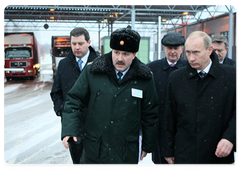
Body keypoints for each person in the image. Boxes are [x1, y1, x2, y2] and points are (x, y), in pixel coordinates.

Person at [61, 28, 159, 165]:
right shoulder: (93, 71)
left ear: (134, 54)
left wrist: (147, 145)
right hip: (96, 148)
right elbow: (74, 100)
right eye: (116, 52)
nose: (119, 58)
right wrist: (69, 129)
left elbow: (151, 113)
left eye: (125, 54)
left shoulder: (145, 78)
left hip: (126, 151)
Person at [161, 31, 237, 164]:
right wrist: (167, 150)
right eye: (188, 52)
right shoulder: (176, 78)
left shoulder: (231, 76)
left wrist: (230, 137)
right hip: (185, 152)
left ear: (209, 50)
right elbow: (169, 116)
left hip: (218, 152)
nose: (191, 58)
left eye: (196, 52)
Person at [50, 27, 99, 165]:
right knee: (78, 163)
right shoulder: (64, 65)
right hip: (73, 125)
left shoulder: (99, 64)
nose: (77, 47)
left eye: (80, 43)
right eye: (73, 44)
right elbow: (56, 92)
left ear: (88, 42)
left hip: (96, 126)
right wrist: (62, 110)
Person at [147, 32, 187, 165]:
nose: (173, 51)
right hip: (159, 126)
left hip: (183, 126)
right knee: (160, 161)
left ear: (182, 49)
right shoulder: (152, 68)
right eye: (169, 48)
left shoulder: (190, 68)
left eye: (176, 48)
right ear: (164, 48)